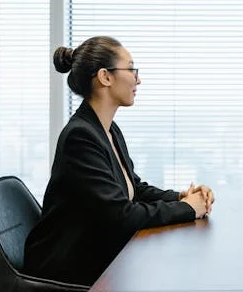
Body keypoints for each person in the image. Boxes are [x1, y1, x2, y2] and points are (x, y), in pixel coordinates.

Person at [24, 36, 215, 286]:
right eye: (131, 69)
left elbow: (134, 189)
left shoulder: (108, 129)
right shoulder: (80, 137)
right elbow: (121, 216)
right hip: (67, 268)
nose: (138, 79)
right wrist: (189, 208)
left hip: (96, 255)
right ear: (105, 77)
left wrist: (180, 197)